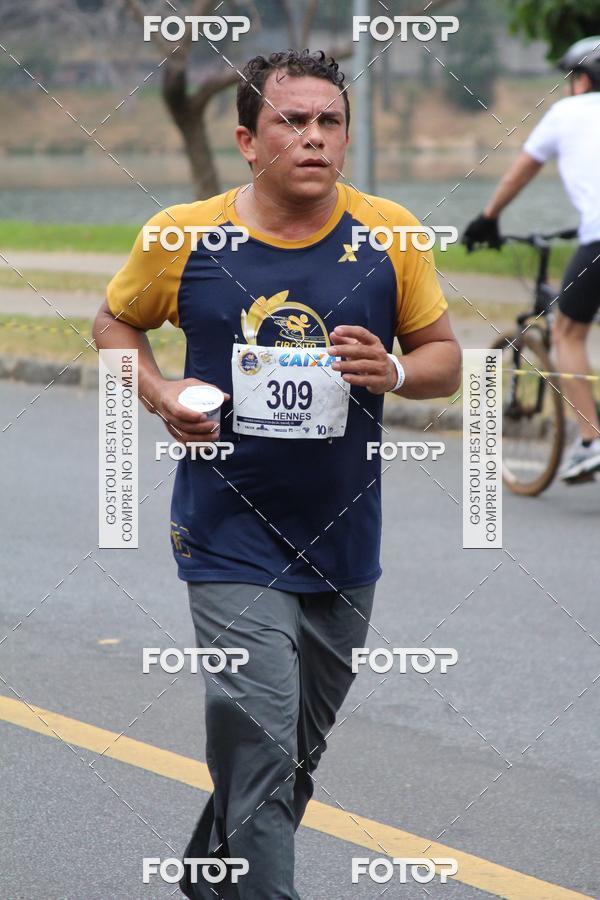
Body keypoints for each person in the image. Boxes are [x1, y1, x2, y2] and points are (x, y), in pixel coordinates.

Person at [93, 49, 460, 899]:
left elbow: (442, 357)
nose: (314, 139)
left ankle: (212, 866)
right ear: (248, 140)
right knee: (259, 731)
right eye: (292, 122)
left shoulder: (391, 233)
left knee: (296, 745)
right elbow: (113, 324)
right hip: (225, 530)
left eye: (329, 121)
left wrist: (394, 373)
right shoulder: (183, 235)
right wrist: (157, 394)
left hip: (343, 537)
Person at [463, 36, 600, 483]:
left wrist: (488, 218)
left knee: (566, 331)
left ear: (582, 79)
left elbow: (523, 169)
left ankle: (590, 440)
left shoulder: (567, 113)